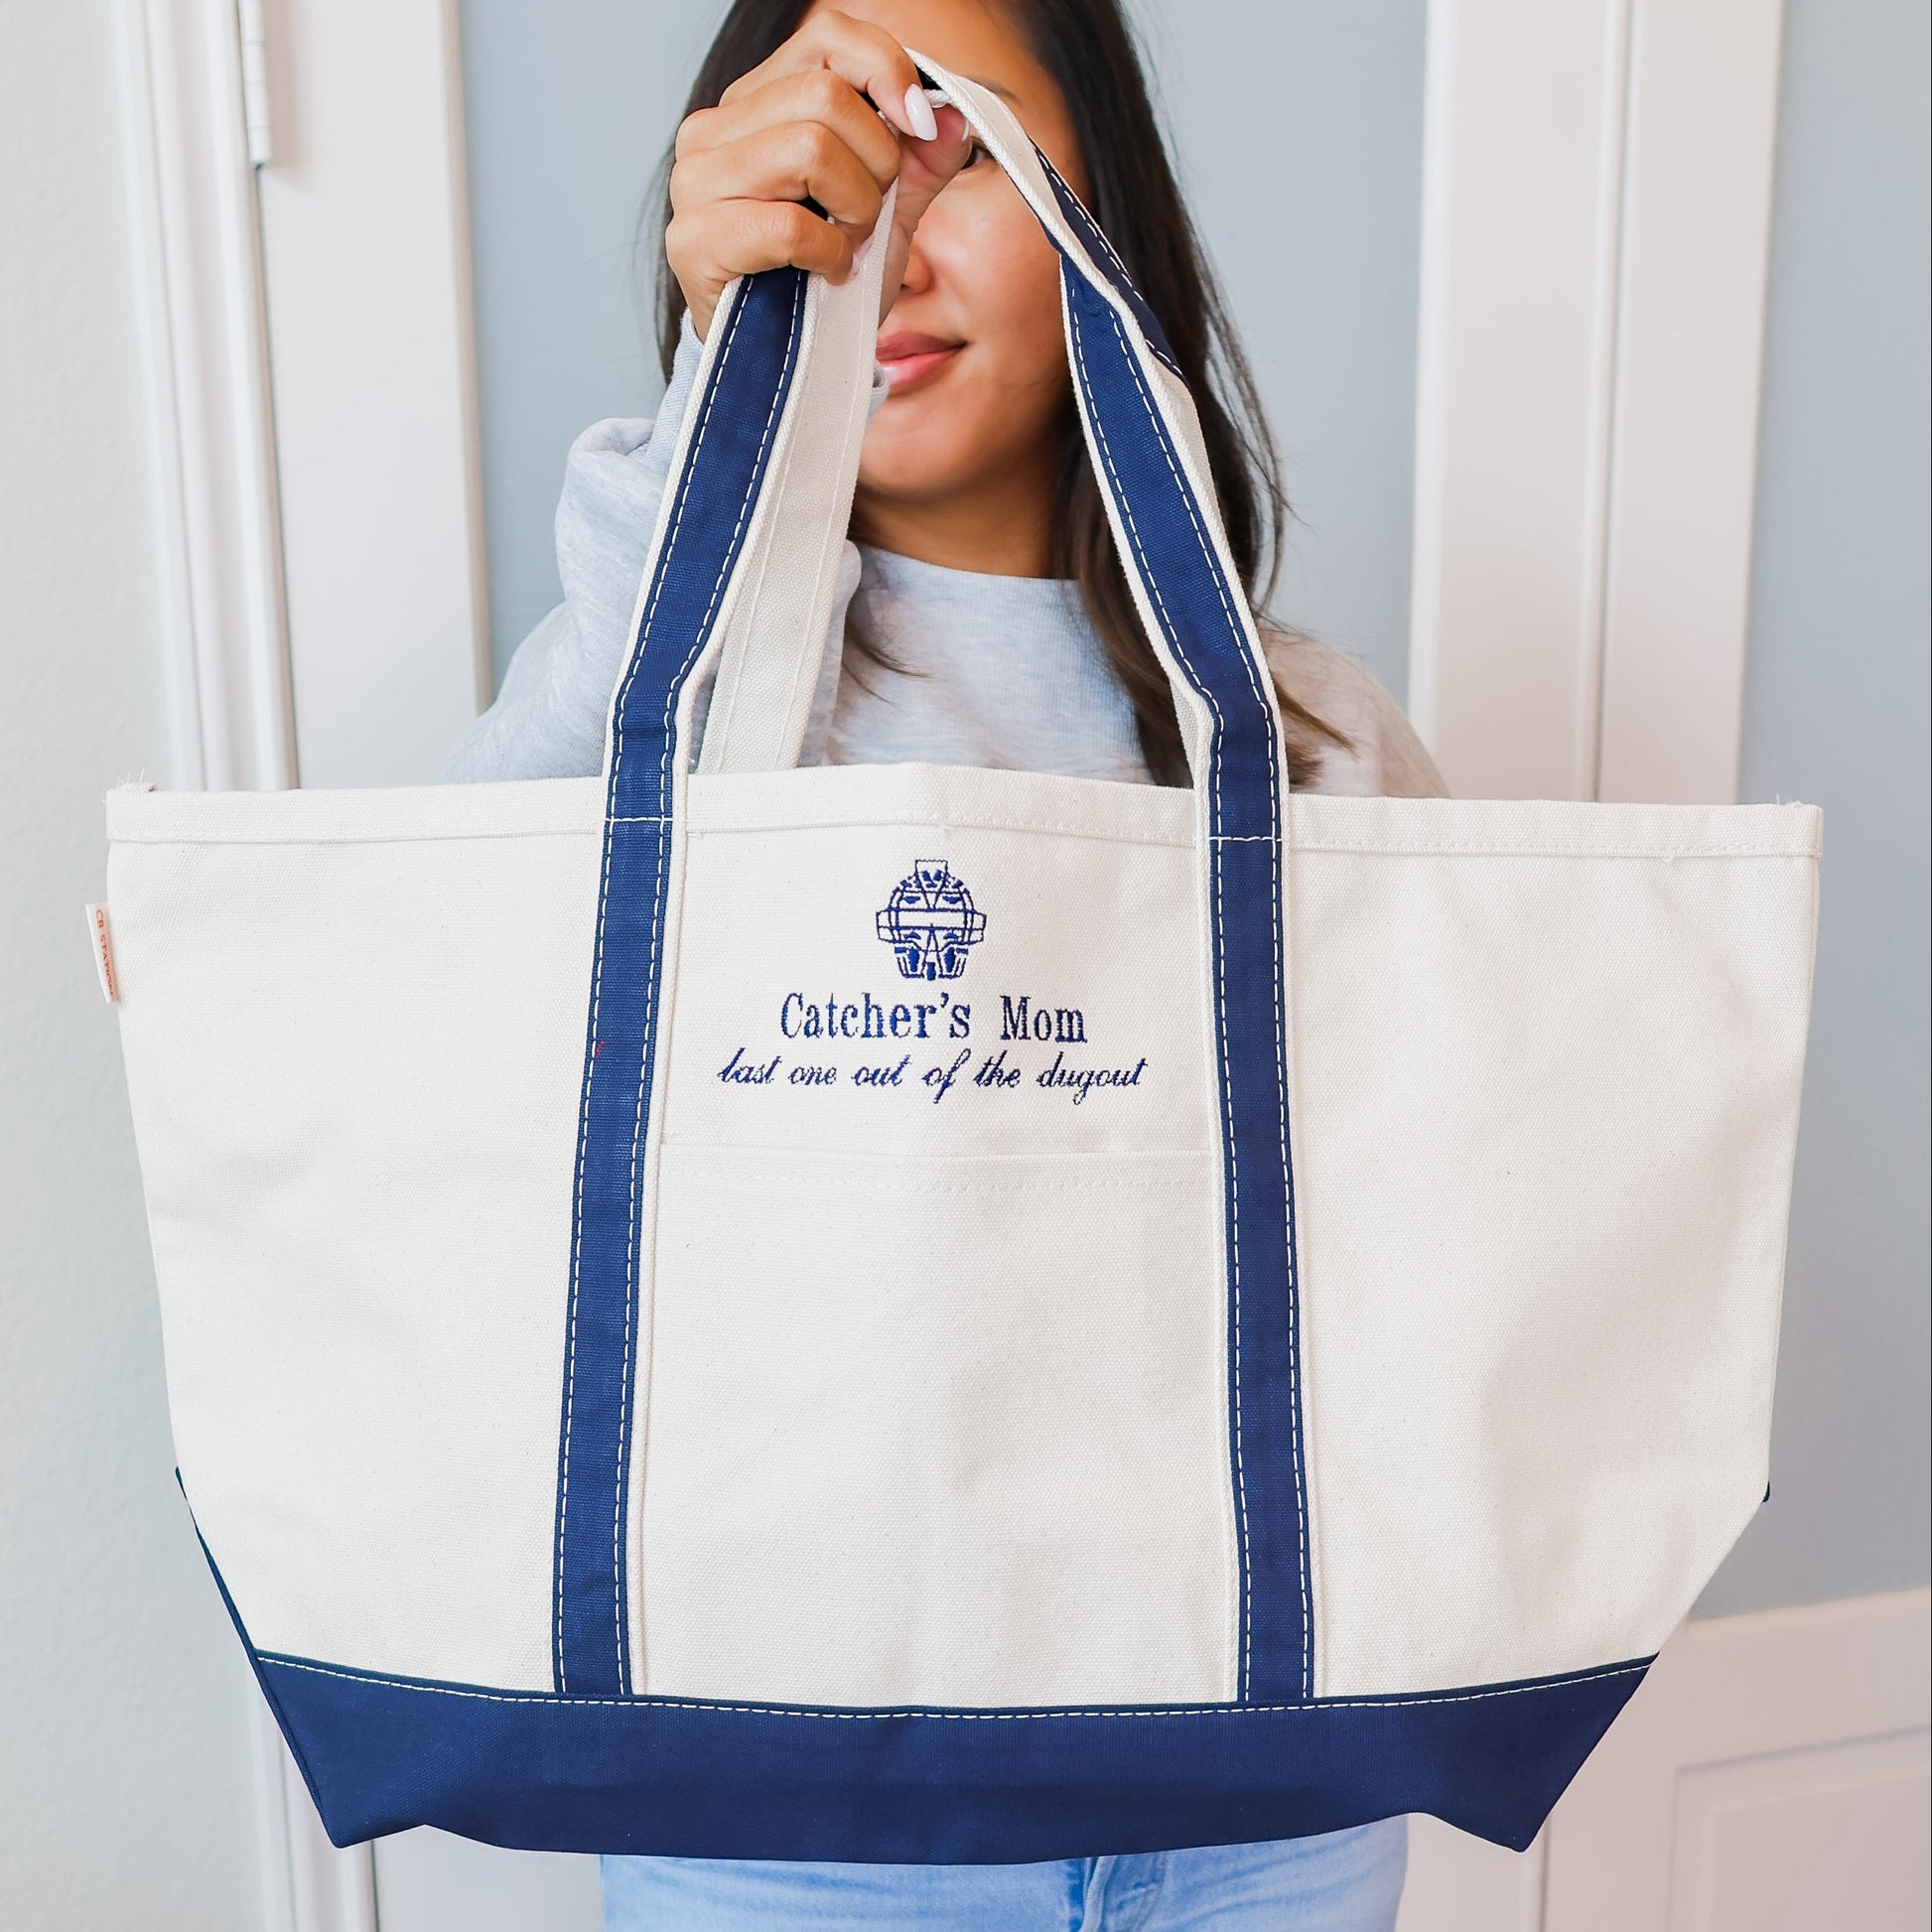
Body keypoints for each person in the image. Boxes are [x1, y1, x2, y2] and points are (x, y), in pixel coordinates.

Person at [447, 1, 1444, 1924]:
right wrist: (718, 408)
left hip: (1273, 1805)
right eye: (823, 157)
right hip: (780, 1828)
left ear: (1101, 211)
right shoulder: (656, 708)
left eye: (957, 144)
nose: (881, 228)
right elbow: (448, 1013)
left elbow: (1433, 1235)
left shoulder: (1311, 738)